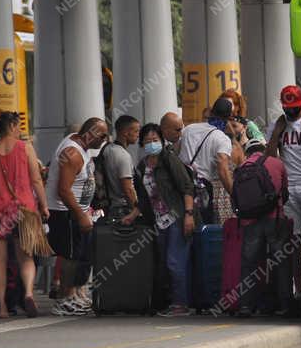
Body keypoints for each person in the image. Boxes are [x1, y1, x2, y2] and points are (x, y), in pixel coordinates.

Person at [0, 111, 50, 318]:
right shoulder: (26, 149)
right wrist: (44, 205)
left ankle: (2, 308)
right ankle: (29, 294)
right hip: (23, 209)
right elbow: (36, 180)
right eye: (18, 126)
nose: (20, 130)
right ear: (13, 125)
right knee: (25, 257)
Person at [45, 117, 109, 316]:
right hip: (66, 213)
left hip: (75, 211)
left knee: (77, 255)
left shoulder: (80, 145)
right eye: (102, 135)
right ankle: (64, 299)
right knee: (70, 257)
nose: (104, 140)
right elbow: (64, 190)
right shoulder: (72, 153)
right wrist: (80, 215)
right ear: (89, 135)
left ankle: (72, 295)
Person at [133, 123, 196, 317]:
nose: (152, 144)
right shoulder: (143, 166)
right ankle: (172, 301)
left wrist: (188, 215)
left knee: (174, 261)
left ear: (161, 140)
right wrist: (133, 214)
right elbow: (144, 198)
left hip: (177, 217)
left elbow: (187, 187)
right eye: (147, 141)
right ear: (141, 143)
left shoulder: (168, 158)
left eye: (155, 140)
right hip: (159, 221)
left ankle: (181, 304)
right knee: (164, 263)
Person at [265, 85, 301, 302]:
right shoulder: (278, 124)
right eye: (288, 109)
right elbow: (269, 159)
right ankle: (298, 289)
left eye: (295, 108)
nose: (291, 113)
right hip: (289, 189)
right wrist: (276, 134)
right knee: (293, 243)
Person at [236, 137, 291, 317]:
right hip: (275, 219)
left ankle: (246, 306)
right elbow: (284, 193)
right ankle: (284, 305)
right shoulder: (277, 163)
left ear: (247, 153)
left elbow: (236, 199)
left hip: (250, 222)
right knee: (281, 262)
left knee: (249, 264)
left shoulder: (242, 167)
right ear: (264, 149)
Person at [179, 97, 244, 225]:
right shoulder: (222, 138)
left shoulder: (189, 129)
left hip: (180, 184)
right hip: (201, 189)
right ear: (229, 117)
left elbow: (178, 151)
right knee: (202, 229)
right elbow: (223, 171)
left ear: (211, 112)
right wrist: (235, 196)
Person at [99, 114, 140, 222]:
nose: (138, 135)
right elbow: (128, 189)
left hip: (110, 208)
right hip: (124, 209)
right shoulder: (123, 155)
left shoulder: (107, 149)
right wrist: (136, 211)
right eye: (136, 131)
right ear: (126, 133)